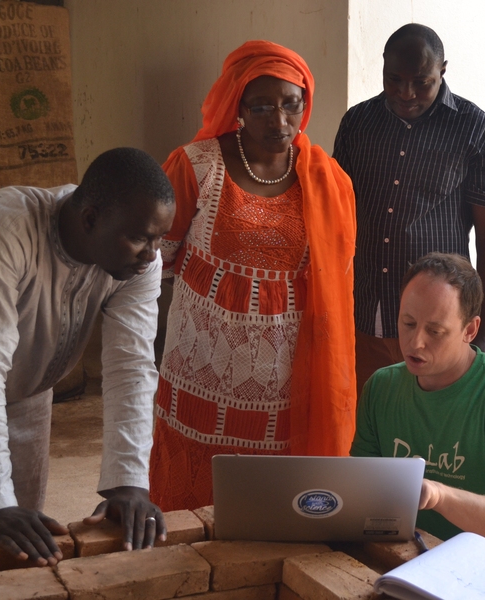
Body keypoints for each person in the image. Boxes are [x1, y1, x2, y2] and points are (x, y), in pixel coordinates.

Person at [0, 147, 175, 564]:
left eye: (159, 238)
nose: (152, 255)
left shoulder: (139, 264)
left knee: (25, 537)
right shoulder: (3, 228)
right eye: (139, 237)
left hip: (29, 388)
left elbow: (130, 367)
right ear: (91, 218)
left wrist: (127, 483)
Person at [149, 40, 357, 511]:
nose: (279, 121)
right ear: (237, 106)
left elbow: (333, 287)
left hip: (286, 385)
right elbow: (149, 265)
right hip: (198, 374)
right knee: (192, 505)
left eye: (291, 105)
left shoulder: (327, 179)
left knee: (272, 508)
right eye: (262, 106)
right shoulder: (195, 165)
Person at [350, 253, 485, 597]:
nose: (416, 342)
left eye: (435, 331)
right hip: (422, 561)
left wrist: (438, 495)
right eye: (407, 323)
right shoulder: (381, 387)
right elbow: (362, 489)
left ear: (470, 330)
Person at [333, 24, 485, 397]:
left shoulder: (480, 133)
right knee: (367, 434)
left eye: (422, 81)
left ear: (443, 70)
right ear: (382, 67)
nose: (406, 93)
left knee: (432, 438)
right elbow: (336, 214)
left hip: (436, 326)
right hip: (363, 313)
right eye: (394, 79)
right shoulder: (357, 124)